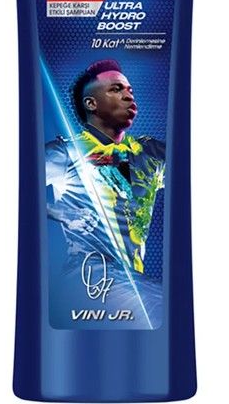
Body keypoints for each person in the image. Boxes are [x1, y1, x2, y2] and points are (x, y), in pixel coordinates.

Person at [46, 59, 165, 328]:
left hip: (132, 279)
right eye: (116, 89)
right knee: (165, 307)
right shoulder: (66, 152)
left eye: (130, 90)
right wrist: (59, 211)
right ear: (91, 103)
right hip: (87, 278)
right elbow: (19, 191)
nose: (128, 95)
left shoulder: (150, 153)